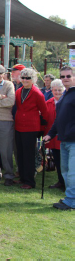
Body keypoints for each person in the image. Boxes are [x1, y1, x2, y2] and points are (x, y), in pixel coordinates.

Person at [43, 66, 75, 210]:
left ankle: (72, 202)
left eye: (68, 76)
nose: (65, 79)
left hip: (74, 140)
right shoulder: (65, 95)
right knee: (66, 172)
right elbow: (59, 119)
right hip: (64, 140)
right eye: (62, 76)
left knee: (73, 173)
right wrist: (51, 134)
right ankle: (70, 197)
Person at [14, 67, 49, 189]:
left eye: (28, 78)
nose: (25, 80)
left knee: (29, 155)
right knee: (21, 154)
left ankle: (29, 181)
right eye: (23, 77)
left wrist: (42, 128)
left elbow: (44, 112)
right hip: (18, 126)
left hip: (31, 128)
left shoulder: (37, 93)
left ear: (33, 79)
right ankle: (22, 177)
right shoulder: (18, 91)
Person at [43, 79, 66, 191]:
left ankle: (67, 183)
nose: (57, 92)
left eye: (59, 90)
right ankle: (61, 181)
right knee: (57, 160)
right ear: (51, 90)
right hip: (52, 137)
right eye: (55, 90)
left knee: (65, 162)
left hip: (63, 137)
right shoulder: (48, 103)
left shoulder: (67, 102)